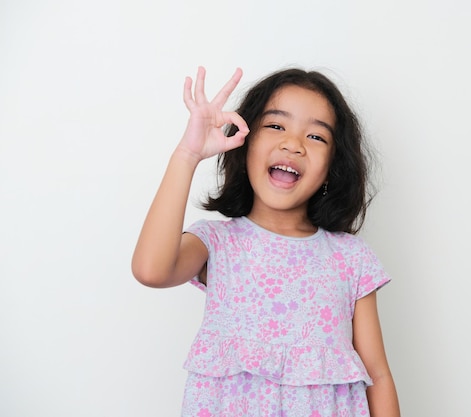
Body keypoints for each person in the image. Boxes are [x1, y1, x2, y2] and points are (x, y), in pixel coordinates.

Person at [132, 65, 400, 417]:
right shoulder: (217, 242)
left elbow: (377, 373)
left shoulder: (351, 258)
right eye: (275, 126)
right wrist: (187, 155)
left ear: (332, 167)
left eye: (316, 136)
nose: (293, 144)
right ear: (245, 144)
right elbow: (151, 270)